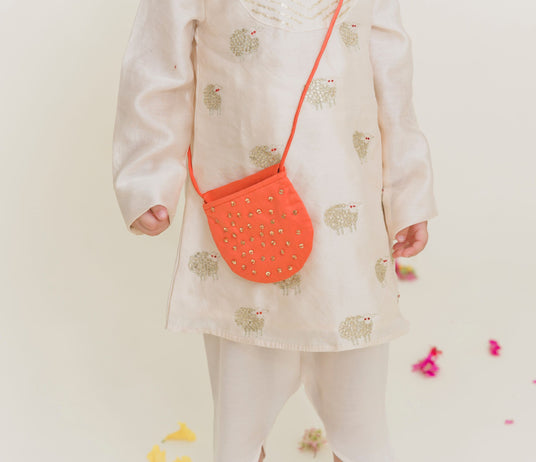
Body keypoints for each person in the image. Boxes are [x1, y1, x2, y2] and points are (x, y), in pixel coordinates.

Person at [112, 0, 438, 460]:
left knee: (356, 382)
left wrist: (408, 192)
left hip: (346, 210)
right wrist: (147, 177)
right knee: (245, 368)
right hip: (245, 204)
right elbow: (157, 68)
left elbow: (392, 80)